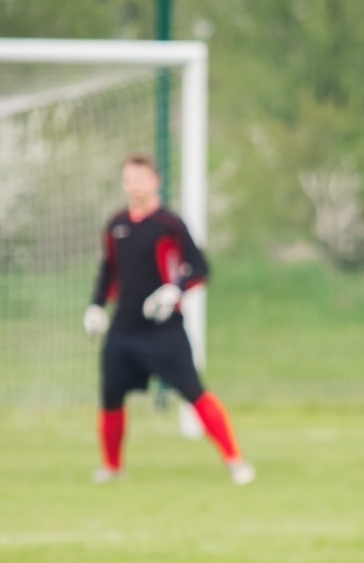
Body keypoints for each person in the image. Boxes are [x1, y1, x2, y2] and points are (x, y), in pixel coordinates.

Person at [84, 153, 254, 485]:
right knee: (111, 396)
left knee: (194, 391)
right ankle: (113, 467)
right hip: (124, 329)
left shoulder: (169, 225)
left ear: (155, 182)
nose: (134, 185)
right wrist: (96, 306)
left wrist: (174, 291)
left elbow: (200, 269)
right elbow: (108, 270)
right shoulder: (115, 224)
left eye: (141, 178)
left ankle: (235, 460)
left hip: (164, 331)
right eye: (129, 179)